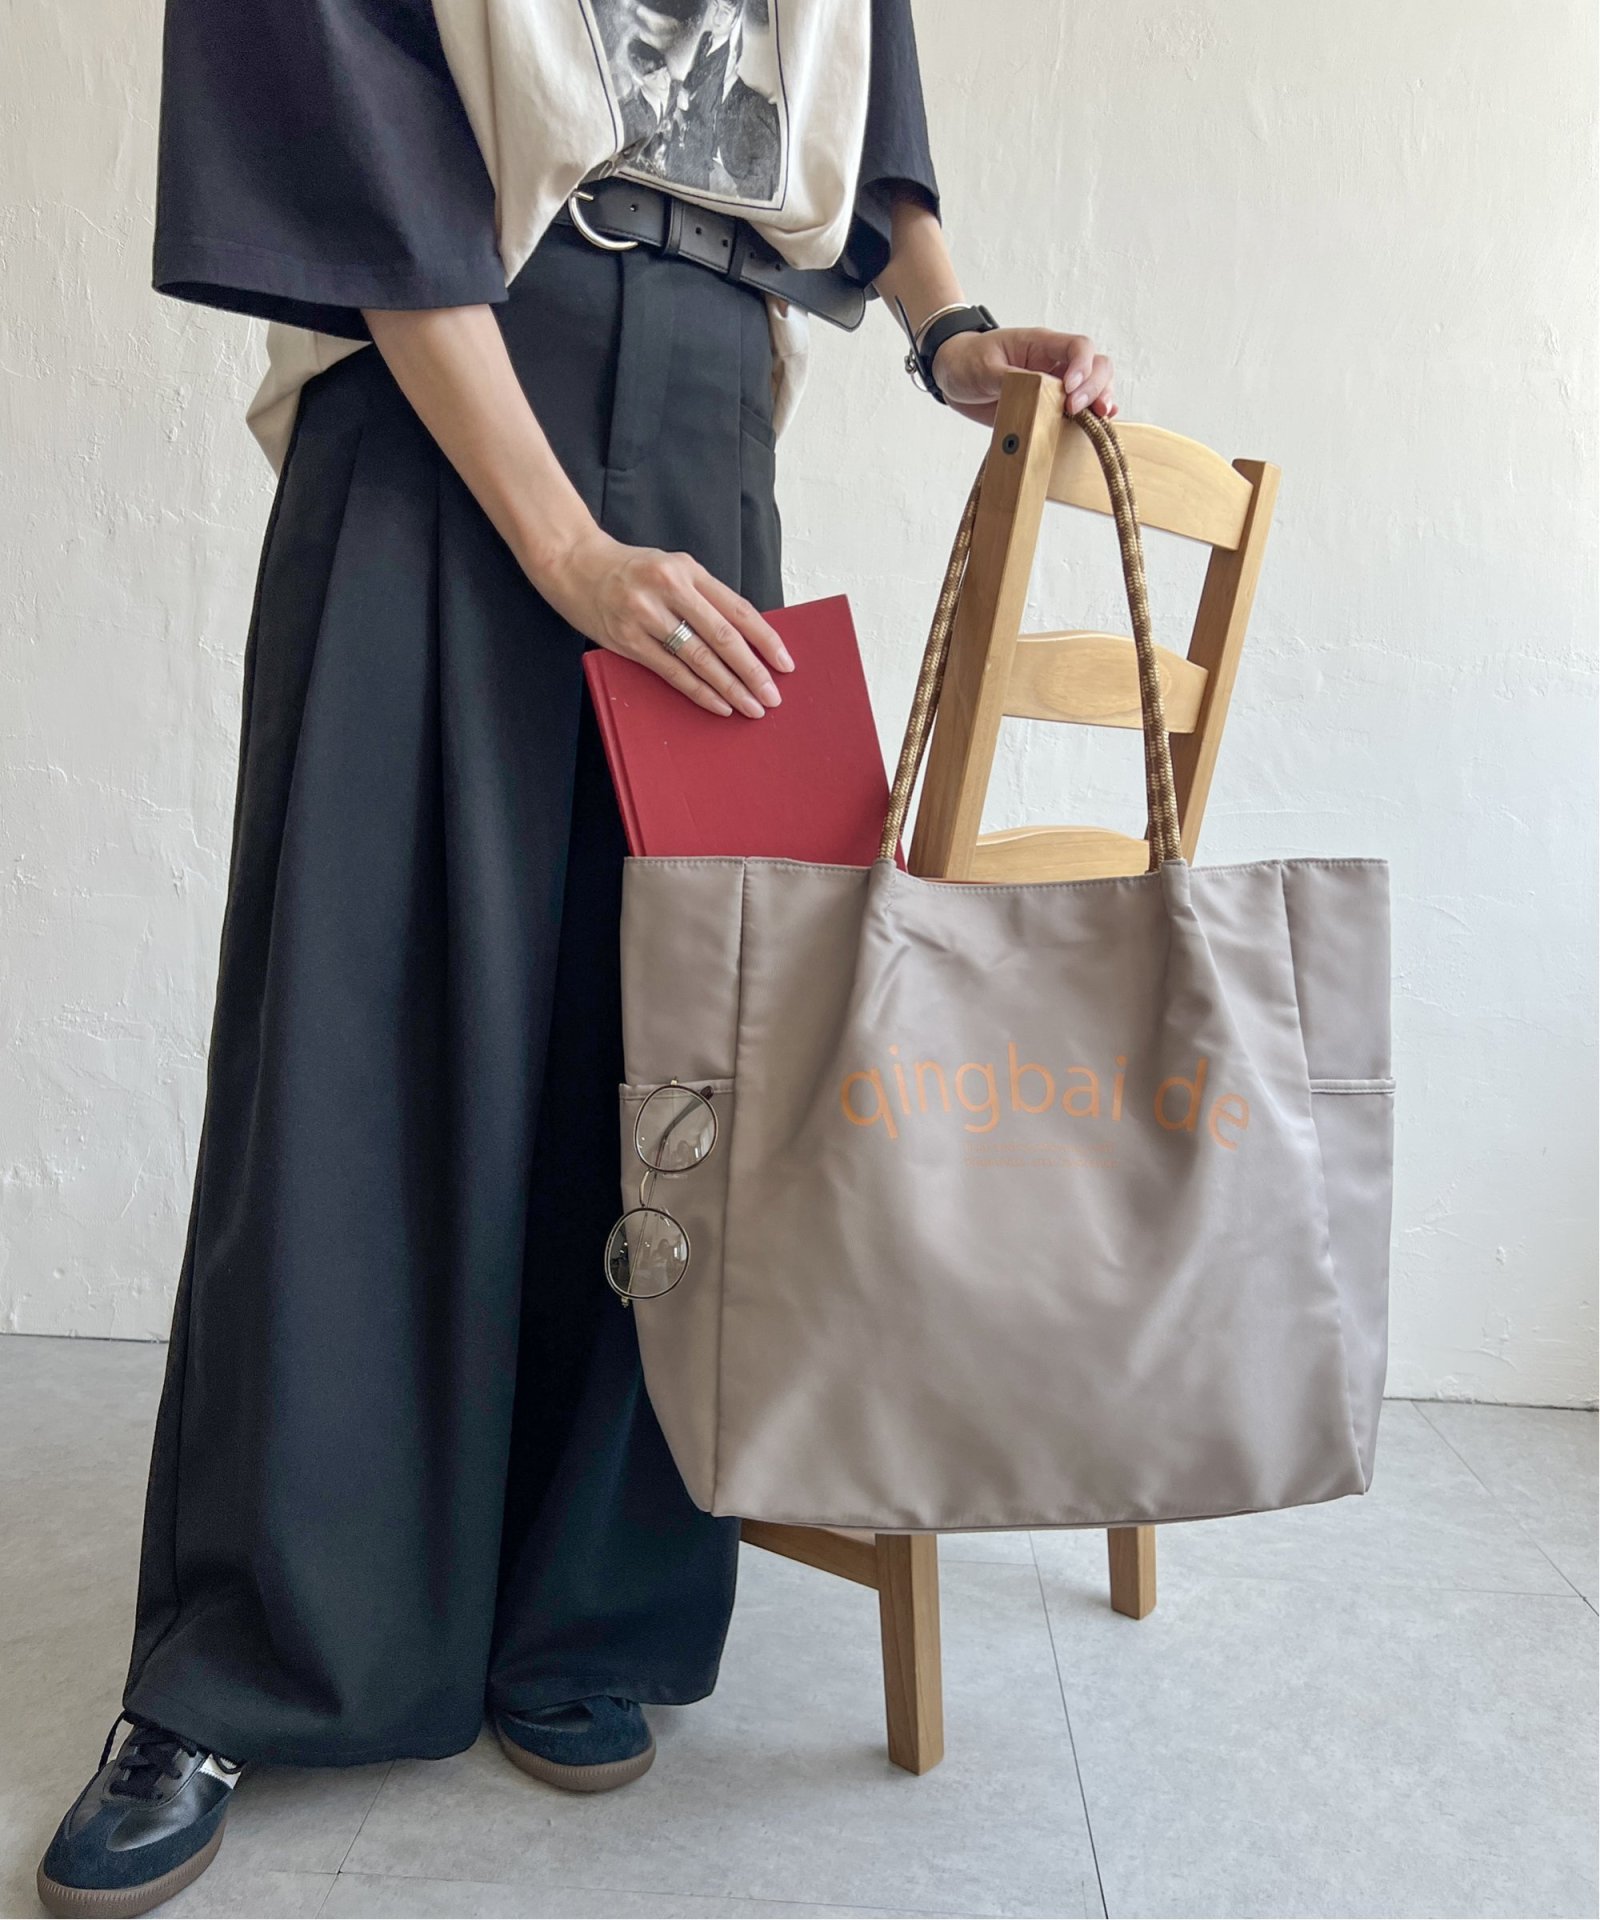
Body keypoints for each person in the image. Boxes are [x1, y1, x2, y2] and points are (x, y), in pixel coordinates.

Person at [36, 1, 1116, 1913]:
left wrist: (952, 333)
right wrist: (557, 541)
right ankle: (255, 1655)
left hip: (710, 401)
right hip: (448, 375)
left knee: (676, 1047)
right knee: (362, 1024)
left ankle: (587, 1608)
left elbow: (865, 120)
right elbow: (352, 131)